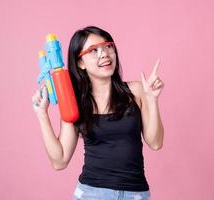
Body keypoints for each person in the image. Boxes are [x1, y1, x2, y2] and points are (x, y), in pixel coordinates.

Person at [31, 26, 164, 200]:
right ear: (80, 63)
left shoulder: (137, 91)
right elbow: (60, 160)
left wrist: (152, 100)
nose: (104, 54)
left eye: (108, 46)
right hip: (91, 193)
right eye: (93, 50)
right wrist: (42, 115)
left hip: (135, 193)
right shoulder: (75, 102)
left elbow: (155, 143)